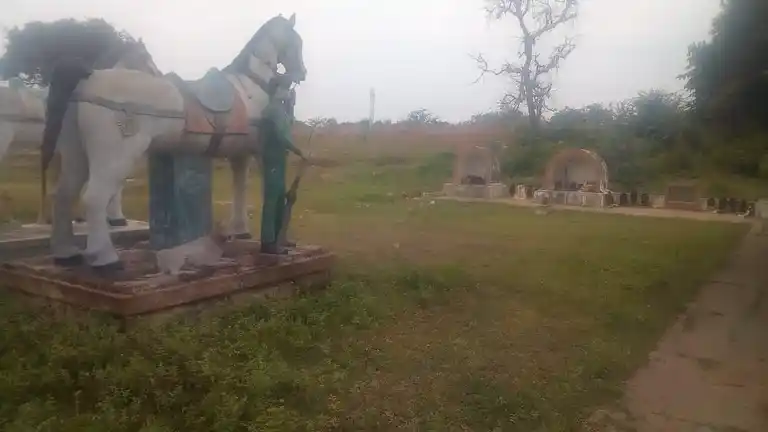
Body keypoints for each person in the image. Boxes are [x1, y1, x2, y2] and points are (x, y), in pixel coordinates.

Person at [259, 75, 305, 254]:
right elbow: (282, 135)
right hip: (272, 159)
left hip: (279, 160)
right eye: (285, 88)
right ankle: (268, 241)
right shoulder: (272, 110)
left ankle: (279, 238)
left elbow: (287, 126)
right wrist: (298, 150)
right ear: (277, 90)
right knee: (272, 199)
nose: (288, 92)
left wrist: (291, 106)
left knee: (279, 198)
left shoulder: (280, 110)